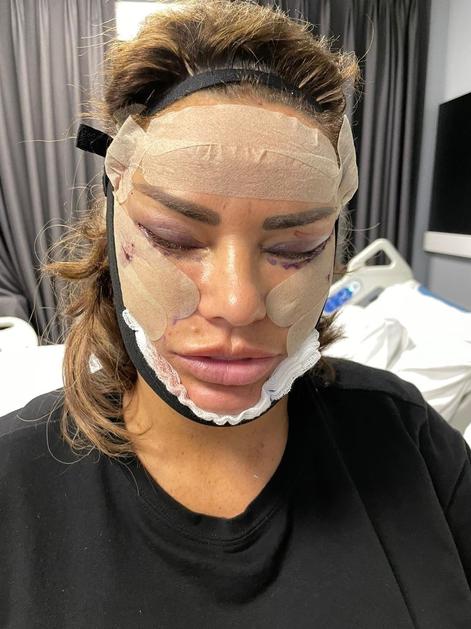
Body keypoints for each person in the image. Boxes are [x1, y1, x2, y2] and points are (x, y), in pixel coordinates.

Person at [1, 1, 470, 626]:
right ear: (112, 234)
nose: (237, 305)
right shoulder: (12, 484)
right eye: (173, 239)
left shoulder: (412, 444)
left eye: (295, 249)